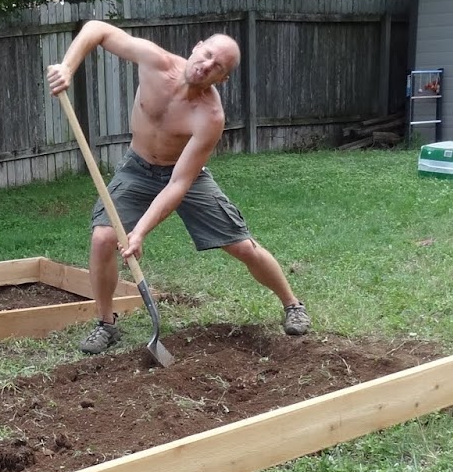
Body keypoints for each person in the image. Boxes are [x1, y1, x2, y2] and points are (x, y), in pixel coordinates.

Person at [47, 21, 310, 353]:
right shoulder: (155, 61)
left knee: (242, 246)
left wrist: (140, 232)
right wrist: (67, 68)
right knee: (102, 238)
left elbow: (178, 184)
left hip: (186, 176)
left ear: (222, 79)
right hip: (137, 168)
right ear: (197, 46)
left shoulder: (210, 116)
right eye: (208, 55)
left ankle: (292, 304)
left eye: (218, 67)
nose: (207, 66)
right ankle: (106, 324)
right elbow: (98, 29)